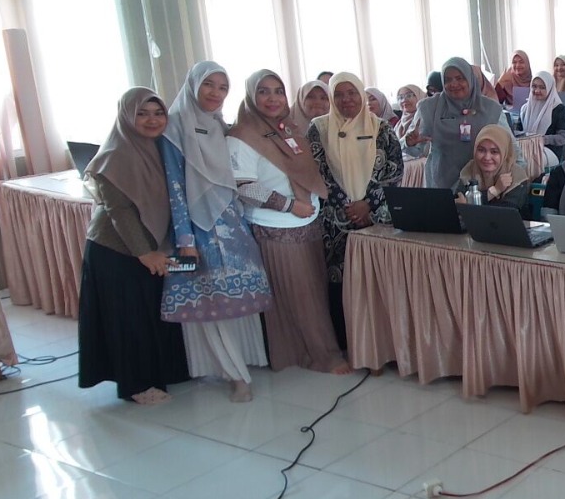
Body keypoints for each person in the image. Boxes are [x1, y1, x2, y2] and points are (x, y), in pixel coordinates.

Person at [159, 62, 273, 403]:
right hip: (196, 232)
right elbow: (175, 188)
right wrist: (186, 241)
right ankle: (237, 377)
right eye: (209, 84)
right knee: (208, 306)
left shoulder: (219, 125)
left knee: (230, 303)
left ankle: (241, 365)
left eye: (223, 87)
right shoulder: (174, 127)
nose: (215, 92)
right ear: (193, 85)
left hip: (232, 226)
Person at [227, 70, 348, 375]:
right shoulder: (243, 136)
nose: (273, 98)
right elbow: (244, 186)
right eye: (263, 91)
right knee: (300, 295)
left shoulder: (288, 129)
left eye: (278, 91)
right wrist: (289, 205)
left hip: (306, 220)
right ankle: (321, 355)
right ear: (251, 96)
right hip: (277, 223)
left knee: (312, 292)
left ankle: (300, 351)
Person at [77, 88, 190, 404]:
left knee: (153, 313)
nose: (152, 120)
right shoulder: (115, 156)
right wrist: (144, 252)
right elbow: (120, 211)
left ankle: (163, 372)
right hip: (117, 250)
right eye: (142, 114)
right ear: (127, 116)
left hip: (151, 248)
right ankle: (136, 385)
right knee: (129, 320)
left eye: (158, 113)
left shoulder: (159, 148)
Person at [310, 71, 403, 347]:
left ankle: (383, 343)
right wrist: (348, 206)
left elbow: (394, 171)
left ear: (362, 94)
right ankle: (347, 342)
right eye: (338, 94)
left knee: (379, 278)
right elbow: (317, 170)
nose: (346, 99)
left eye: (352, 93)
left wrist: (368, 204)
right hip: (336, 218)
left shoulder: (381, 128)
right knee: (340, 280)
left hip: (377, 217)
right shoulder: (319, 128)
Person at [411, 57, 506, 189]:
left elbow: (510, 145)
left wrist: (520, 181)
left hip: (481, 182)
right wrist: (410, 143)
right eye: (448, 80)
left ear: (470, 79)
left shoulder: (490, 108)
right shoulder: (429, 108)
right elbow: (415, 150)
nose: (453, 84)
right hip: (441, 183)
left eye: (460, 78)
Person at [455, 124, 531, 216]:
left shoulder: (516, 175)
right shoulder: (469, 169)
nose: (487, 157)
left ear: (504, 152)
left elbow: (505, 215)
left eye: (494, 152)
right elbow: (456, 203)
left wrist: (468, 204)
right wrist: (494, 191)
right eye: (481, 150)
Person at [521, 71, 565, 160]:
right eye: (534, 86)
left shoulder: (559, 109)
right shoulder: (525, 108)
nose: (537, 91)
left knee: (527, 160)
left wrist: (542, 139)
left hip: (550, 151)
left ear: (550, 88)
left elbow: (563, 137)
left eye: (542, 87)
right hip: (527, 148)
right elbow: (518, 131)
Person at [394, 84, 427, 158]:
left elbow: (422, 152)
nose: (404, 100)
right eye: (400, 97)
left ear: (420, 97)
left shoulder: (424, 120)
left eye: (409, 96)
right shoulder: (399, 125)